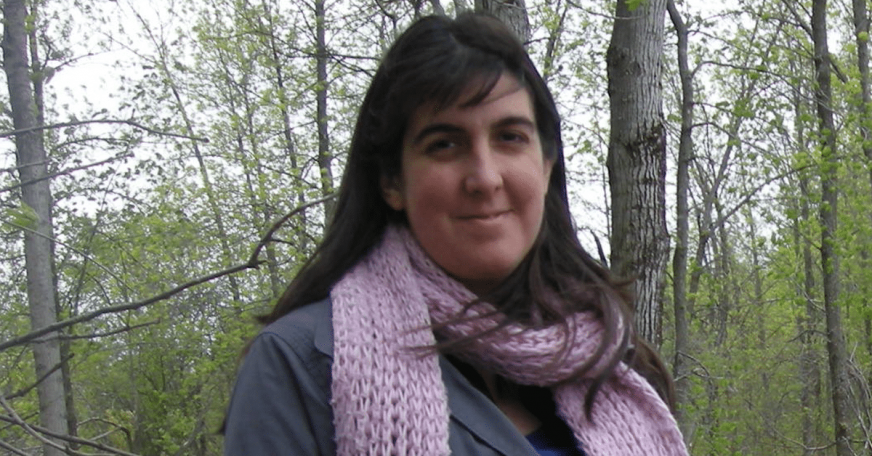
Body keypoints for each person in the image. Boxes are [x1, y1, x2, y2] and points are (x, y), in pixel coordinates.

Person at [223, 12, 689, 456]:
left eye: (510, 137)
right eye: (444, 144)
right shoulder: (300, 366)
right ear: (391, 181)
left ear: (546, 166)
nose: (484, 178)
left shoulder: (607, 359)